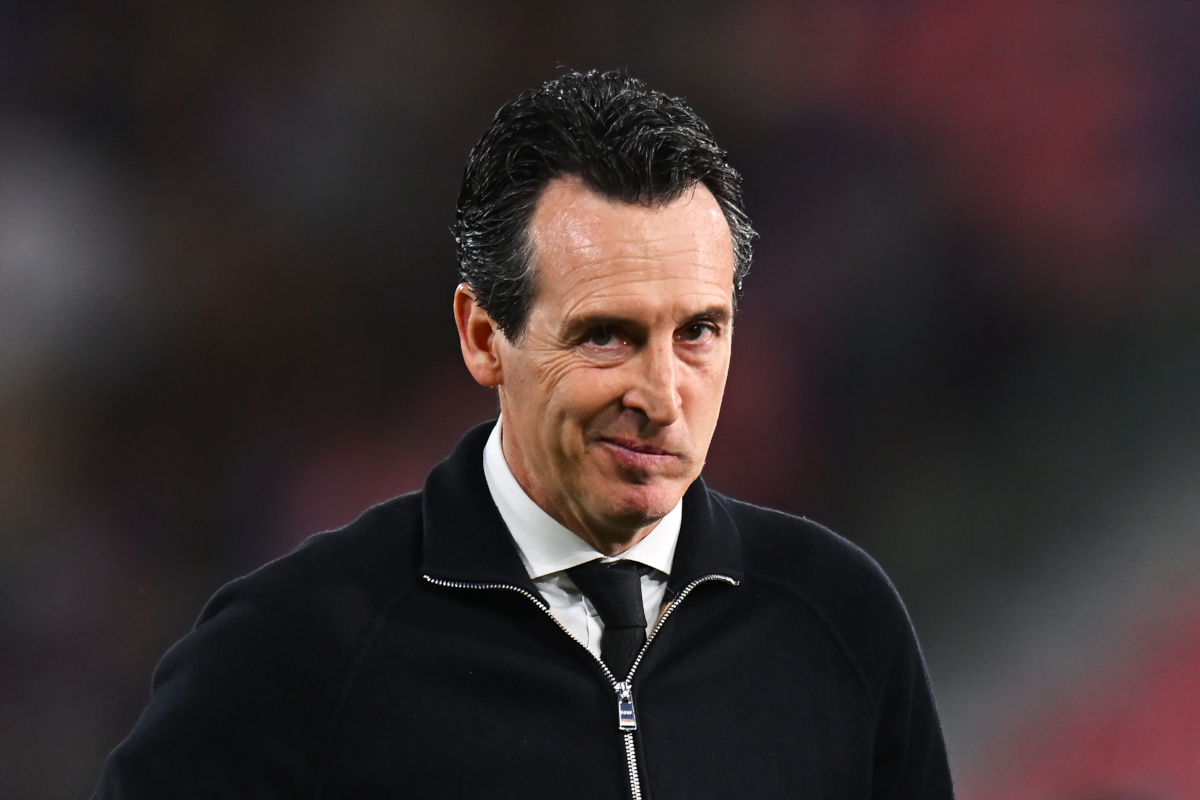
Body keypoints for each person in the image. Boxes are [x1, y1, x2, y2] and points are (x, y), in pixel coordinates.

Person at [93, 70, 954, 799]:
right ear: (483, 337)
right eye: (605, 335)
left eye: (698, 331)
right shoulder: (304, 645)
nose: (660, 395)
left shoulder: (836, 617)